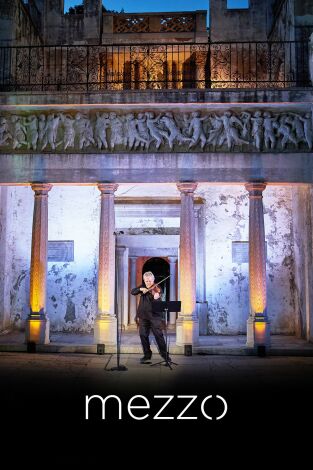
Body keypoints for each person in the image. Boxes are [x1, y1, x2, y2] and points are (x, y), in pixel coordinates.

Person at [131, 271, 171, 364]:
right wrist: (141, 289)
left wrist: (156, 297)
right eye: (146, 281)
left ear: (153, 280)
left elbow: (159, 298)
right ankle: (147, 354)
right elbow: (133, 292)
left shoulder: (157, 288)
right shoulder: (143, 286)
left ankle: (165, 355)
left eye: (149, 281)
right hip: (143, 316)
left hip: (154, 316)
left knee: (159, 336)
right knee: (143, 335)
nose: (148, 283)